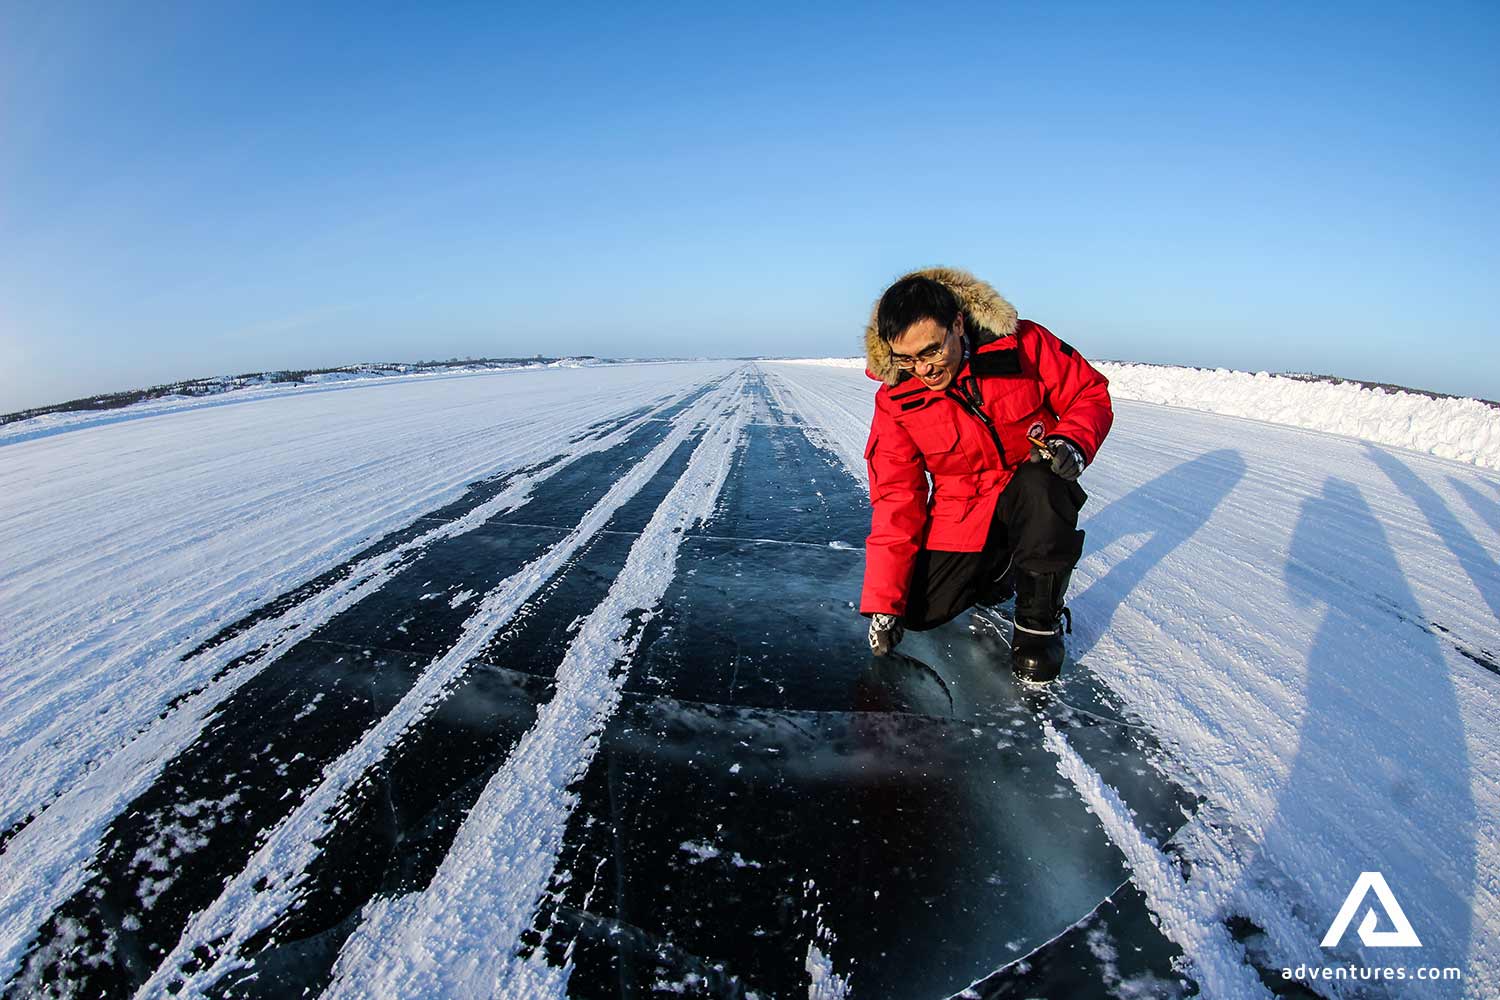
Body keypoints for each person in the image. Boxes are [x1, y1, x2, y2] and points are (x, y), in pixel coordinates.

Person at [858, 267, 1113, 682]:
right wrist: (884, 602)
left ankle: (1038, 624)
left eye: (931, 351)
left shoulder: (1024, 344)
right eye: (906, 358)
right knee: (916, 612)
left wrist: (1072, 443)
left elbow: (1089, 392)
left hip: (1028, 486)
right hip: (964, 513)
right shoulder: (896, 401)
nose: (922, 370)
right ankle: (1001, 572)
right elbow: (895, 500)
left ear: (957, 324)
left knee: (1042, 484)